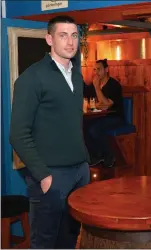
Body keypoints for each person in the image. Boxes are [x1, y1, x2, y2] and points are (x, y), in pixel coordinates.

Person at [9, 15, 90, 248]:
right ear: (49, 39)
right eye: (62, 35)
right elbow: (18, 134)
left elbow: (71, 122)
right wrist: (43, 175)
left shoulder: (76, 73)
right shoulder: (32, 78)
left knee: (71, 238)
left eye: (74, 35)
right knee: (45, 242)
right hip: (51, 176)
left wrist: (84, 161)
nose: (70, 42)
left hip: (79, 172)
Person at [83, 59, 124, 168]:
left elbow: (106, 105)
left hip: (115, 117)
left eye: (99, 69)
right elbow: (90, 100)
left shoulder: (113, 85)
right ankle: (95, 155)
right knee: (84, 125)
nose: (96, 72)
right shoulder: (94, 84)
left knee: (94, 128)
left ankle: (109, 154)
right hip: (100, 116)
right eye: (95, 69)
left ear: (106, 69)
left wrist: (97, 89)